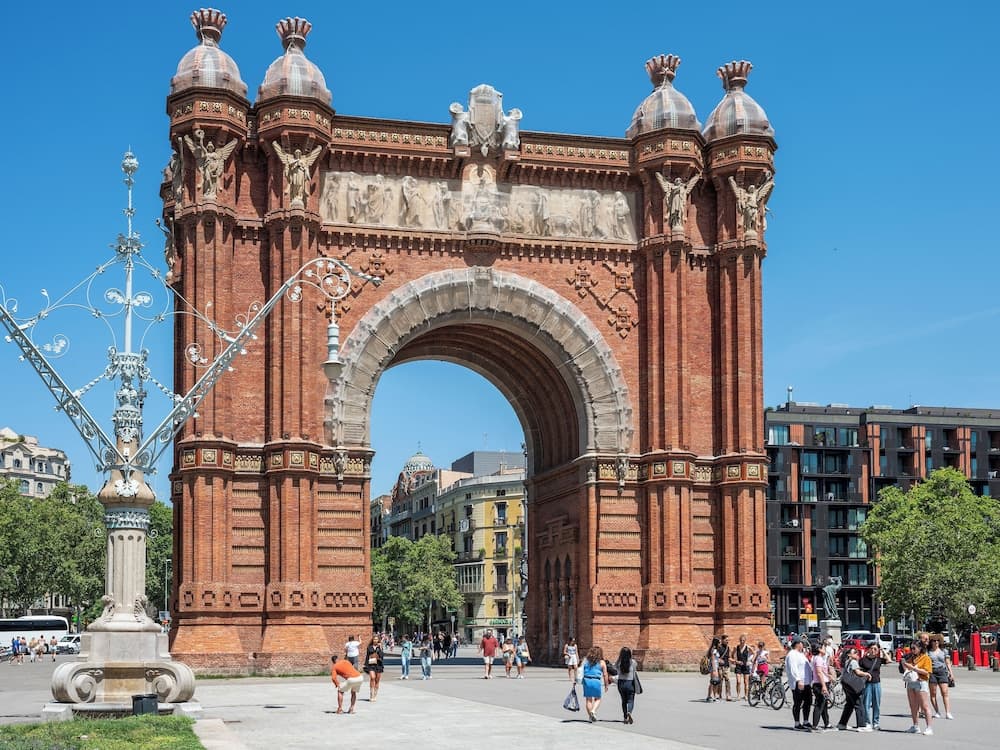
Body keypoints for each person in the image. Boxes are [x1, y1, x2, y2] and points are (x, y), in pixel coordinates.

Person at [836, 646, 872, 731]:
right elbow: (857, 672)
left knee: (849, 704)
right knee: (858, 704)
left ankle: (842, 723)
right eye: (854, 652)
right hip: (853, 685)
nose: (857, 653)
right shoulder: (853, 662)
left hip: (846, 685)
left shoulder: (845, 661)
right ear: (849, 654)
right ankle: (862, 725)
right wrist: (867, 674)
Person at [903, 640, 935, 734]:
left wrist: (914, 668)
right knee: (913, 705)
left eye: (914, 648)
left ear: (920, 648)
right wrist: (905, 666)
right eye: (911, 648)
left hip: (921, 682)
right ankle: (915, 726)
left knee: (924, 705)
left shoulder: (926, 658)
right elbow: (906, 667)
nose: (912, 650)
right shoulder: (911, 657)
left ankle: (929, 727)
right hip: (911, 682)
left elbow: (927, 672)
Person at [784, 638, 811, 730]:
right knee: (798, 702)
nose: (803, 645)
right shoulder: (792, 654)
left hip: (806, 682)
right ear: (798, 644)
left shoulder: (801, 654)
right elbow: (793, 668)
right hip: (798, 682)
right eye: (802, 643)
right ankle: (797, 723)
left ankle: (806, 721)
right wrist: (798, 680)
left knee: (808, 701)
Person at [859, 642, 886, 729]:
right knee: (866, 703)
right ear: (869, 649)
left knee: (876, 704)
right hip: (867, 684)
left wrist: (883, 651)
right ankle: (867, 722)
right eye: (872, 648)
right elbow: (858, 670)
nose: (873, 650)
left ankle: (876, 722)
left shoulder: (878, 660)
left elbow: (889, 660)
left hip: (877, 683)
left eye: (876, 649)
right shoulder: (863, 660)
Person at [927, 634, 955, 719]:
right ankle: (937, 711)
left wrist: (951, 673)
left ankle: (948, 712)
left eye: (937, 641)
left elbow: (947, 662)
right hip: (932, 672)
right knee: (933, 693)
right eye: (934, 641)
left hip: (942, 671)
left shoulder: (944, 651)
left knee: (944, 692)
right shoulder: (928, 652)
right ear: (931, 642)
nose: (936, 642)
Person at [580, 645, 610, 723]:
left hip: (586, 680)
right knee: (598, 698)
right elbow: (605, 674)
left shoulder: (585, 660)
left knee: (588, 699)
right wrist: (606, 685)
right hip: (596, 681)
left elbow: (580, 670)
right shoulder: (602, 662)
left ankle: (590, 716)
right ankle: (593, 710)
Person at [810, 642, 834, 731]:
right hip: (820, 684)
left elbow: (821, 671)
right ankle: (815, 725)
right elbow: (819, 672)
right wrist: (824, 686)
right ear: (819, 649)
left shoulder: (817, 658)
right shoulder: (818, 659)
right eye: (823, 647)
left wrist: (828, 676)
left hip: (821, 682)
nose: (825, 649)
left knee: (823, 705)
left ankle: (827, 723)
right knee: (819, 704)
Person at [615, 646, 639, 724]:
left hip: (621, 683)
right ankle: (629, 712)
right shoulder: (633, 662)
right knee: (630, 699)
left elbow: (615, 668)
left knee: (624, 701)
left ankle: (625, 717)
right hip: (630, 683)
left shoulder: (619, 662)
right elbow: (635, 670)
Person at [363, 633, 384, 702]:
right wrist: (365, 665)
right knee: (372, 677)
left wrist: (380, 648)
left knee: (377, 680)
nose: (375, 640)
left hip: (378, 664)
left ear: (378, 640)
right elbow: (367, 656)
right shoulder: (369, 647)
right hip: (371, 664)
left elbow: (382, 656)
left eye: (376, 639)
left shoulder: (380, 647)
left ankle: (375, 695)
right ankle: (371, 694)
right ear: (372, 640)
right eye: (374, 639)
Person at [733, 634, 752, 700]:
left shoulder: (748, 647)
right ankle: (738, 695)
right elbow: (732, 655)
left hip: (745, 666)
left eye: (743, 640)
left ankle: (746, 695)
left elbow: (754, 653)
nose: (742, 641)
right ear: (739, 640)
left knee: (746, 682)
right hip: (738, 666)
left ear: (745, 641)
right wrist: (735, 661)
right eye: (741, 640)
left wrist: (750, 660)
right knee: (738, 681)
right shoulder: (736, 647)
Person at [705, 636, 722, 703]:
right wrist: (715, 669)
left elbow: (715, 659)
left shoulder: (713, 649)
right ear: (716, 643)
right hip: (714, 668)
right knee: (715, 682)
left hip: (714, 667)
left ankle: (710, 696)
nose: (720, 644)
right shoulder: (714, 649)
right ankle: (713, 697)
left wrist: (719, 661)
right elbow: (712, 659)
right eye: (719, 642)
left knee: (712, 682)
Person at [717, 634, 733, 700]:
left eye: (728, 640)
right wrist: (719, 660)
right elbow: (715, 656)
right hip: (720, 666)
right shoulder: (718, 647)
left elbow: (728, 657)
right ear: (722, 640)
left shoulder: (727, 647)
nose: (727, 641)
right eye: (726, 640)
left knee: (727, 680)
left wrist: (734, 661)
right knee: (720, 680)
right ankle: (719, 694)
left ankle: (728, 695)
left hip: (726, 666)